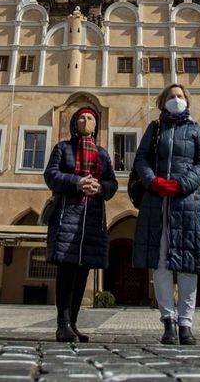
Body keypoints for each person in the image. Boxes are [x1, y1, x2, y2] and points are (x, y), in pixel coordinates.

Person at [132, 83, 200, 346]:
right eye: (171, 96)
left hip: (187, 202)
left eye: (180, 96)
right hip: (157, 203)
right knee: (162, 263)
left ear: (187, 102)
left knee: (189, 265)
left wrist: (182, 184)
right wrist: (153, 182)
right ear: (162, 101)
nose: (176, 99)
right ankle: (168, 320)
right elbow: (141, 159)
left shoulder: (195, 129)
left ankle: (186, 323)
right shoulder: (155, 129)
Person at [43, 106, 118, 343]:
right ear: (74, 123)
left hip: (92, 216)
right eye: (82, 118)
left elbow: (112, 184)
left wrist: (101, 188)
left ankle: (73, 323)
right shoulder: (63, 148)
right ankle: (62, 324)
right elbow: (51, 175)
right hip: (68, 214)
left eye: (90, 118)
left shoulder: (103, 154)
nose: (86, 122)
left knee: (83, 270)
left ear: (97, 125)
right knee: (66, 270)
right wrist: (77, 182)